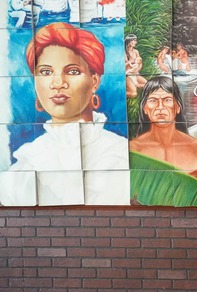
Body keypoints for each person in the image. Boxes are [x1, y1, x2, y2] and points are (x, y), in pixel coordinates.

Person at [0, 22, 128, 206]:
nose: (58, 83)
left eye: (72, 71)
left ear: (94, 81)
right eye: (45, 72)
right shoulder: (26, 164)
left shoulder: (120, 153)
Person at [129, 76, 197, 181]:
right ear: (145, 108)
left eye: (167, 100)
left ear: (177, 107)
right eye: (153, 100)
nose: (160, 107)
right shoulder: (133, 150)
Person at [124, 34, 147, 98]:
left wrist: (136, 69)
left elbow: (140, 63)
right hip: (127, 75)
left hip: (136, 74)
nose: (135, 42)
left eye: (136, 41)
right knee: (133, 93)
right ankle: (118, 93)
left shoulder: (136, 51)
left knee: (148, 85)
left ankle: (137, 85)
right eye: (134, 40)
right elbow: (121, 66)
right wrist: (128, 63)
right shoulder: (123, 52)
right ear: (129, 41)